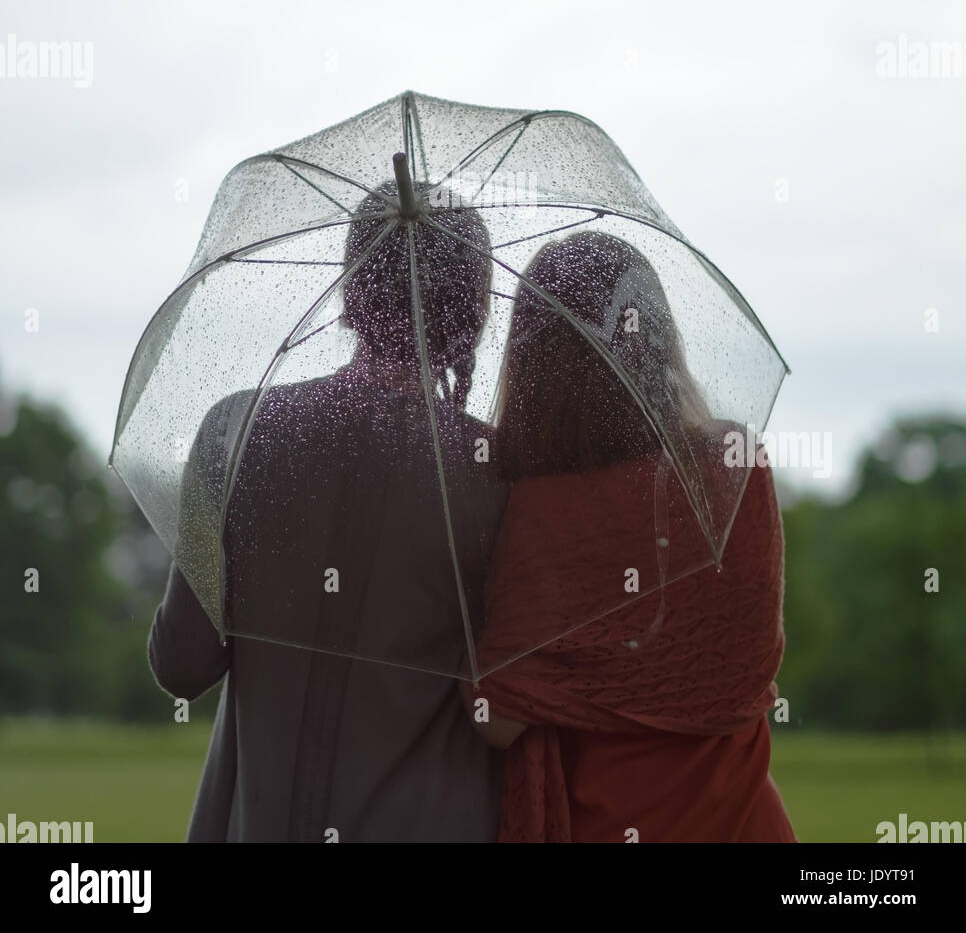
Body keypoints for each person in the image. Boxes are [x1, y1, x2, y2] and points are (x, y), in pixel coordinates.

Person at [148, 178, 507, 842]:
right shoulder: (498, 468)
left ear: (351, 289)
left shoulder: (233, 430)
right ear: (474, 310)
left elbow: (182, 666)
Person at [462, 230, 796, 843]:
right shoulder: (735, 464)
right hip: (745, 819)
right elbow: (746, 670)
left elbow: (498, 720)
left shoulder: (536, 504)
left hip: (602, 820)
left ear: (533, 359)